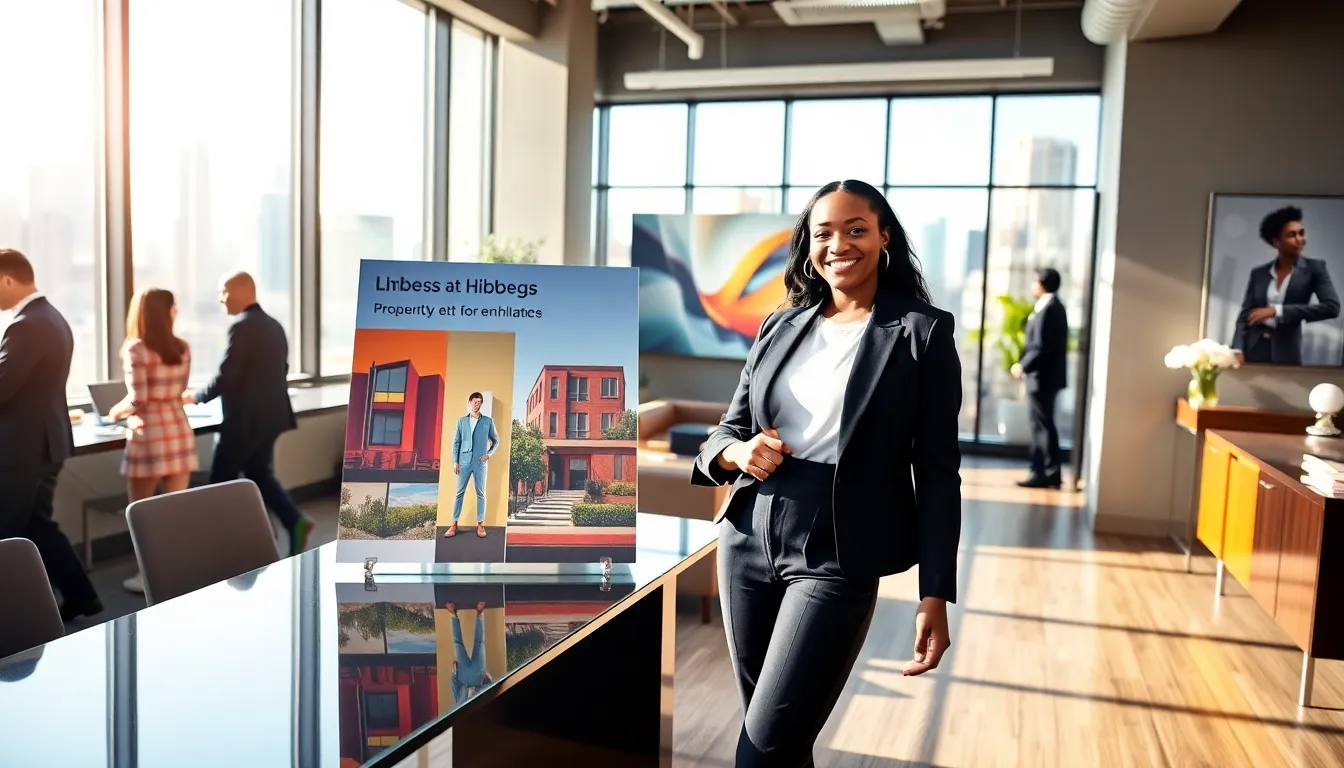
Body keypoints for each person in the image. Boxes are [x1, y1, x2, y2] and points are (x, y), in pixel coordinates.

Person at [689, 180, 962, 767]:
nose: (839, 243)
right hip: (747, 534)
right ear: (808, 245)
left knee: (761, 749)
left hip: (839, 547)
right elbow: (724, 431)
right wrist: (735, 455)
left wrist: (934, 592)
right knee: (781, 743)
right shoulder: (780, 325)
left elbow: (938, 471)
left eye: (855, 229)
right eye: (824, 232)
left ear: (884, 236)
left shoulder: (923, 333)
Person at [0, 249, 102, 621]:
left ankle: (17, 619)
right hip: (47, 443)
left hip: (21, 451)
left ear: (8, 280)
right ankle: (82, 597)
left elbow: (3, 386)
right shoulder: (53, 317)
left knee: (7, 537)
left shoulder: (26, 323)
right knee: (38, 525)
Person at [183, 272, 314, 555]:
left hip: (245, 421)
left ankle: (215, 548)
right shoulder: (273, 325)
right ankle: (294, 522)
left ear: (243, 292)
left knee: (219, 484)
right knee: (259, 473)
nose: (220, 299)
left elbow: (227, 375)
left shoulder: (242, 327)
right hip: (272, 417)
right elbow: (282, 370)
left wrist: (196, 397)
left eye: (224, 292)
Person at [110, 288, 201, 594]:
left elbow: (138, 400)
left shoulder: (136, 349)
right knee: (174, 510)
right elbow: (178, 391)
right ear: (167, 312)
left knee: (142, 514)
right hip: (177, 431)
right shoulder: (183, 348)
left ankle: (146, 576)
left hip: (148, 436)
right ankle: (177, 571)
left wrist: (114, 411)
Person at [1232, 205, 1340, 365]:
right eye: (1292, 235)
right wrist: (1237, 349)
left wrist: (1277, 311)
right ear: (1276, 242)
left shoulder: (1314, 269)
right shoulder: (1259, 273)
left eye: (1301, 233)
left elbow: (1332, 307)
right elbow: (1244, 316)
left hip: (1287, 350)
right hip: (1253, 347)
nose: (1300, 239)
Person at [1011, 268, 1069, 489]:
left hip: (1042, 378)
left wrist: (1022, 366)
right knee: (1043, 425)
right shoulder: (1050, 306)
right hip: (1044, 377)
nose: (1033, 284)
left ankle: (1043, 473)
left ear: (1042, 283)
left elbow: (1042, 347)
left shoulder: (1050, 309)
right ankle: (1049, 472)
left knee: (1041, 427)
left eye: (1035, 280)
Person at [446, 392, 499, 539]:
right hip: (463, 461)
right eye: (475, 402)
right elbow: (456, 442)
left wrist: (489, 454)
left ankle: (480, 524)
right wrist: (455, 461)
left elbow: (496, 441)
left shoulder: (488, 421)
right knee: (459, 493)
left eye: (480, 402)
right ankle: (454, 524)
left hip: (480, 463)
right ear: (470, 402)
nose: (477, 404)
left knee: (481, 493)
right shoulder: (461, 421)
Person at [445, 600, 493, 702]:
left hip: (462, 675)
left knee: (457, 644)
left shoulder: (459, 705)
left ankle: (453, 614)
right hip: (478, 675)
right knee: (479, 644)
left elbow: (455, 687)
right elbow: (489, 692)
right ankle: (479, 613)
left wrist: (453, 673)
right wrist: (488, 680)